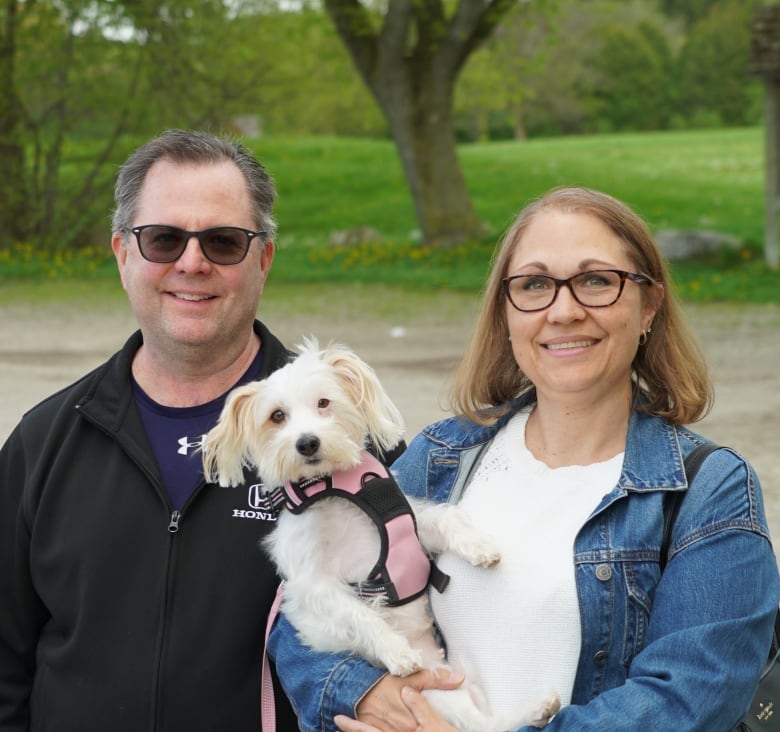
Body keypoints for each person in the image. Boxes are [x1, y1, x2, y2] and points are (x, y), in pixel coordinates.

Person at [269, 186, 780, 731]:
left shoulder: (709, 491)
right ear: (507, 312)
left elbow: (688, 700)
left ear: (648, 305)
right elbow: (295, 616)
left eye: (595, 281)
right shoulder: (442, 456)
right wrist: (368, 695)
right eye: (534, 285)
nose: (563, 311)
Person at [0, 129, 305, 730]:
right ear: (122, 254)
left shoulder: (344, 441)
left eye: (223, 242)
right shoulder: (43, 445)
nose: (192, 262)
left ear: (263, 258)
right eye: (163, 239)